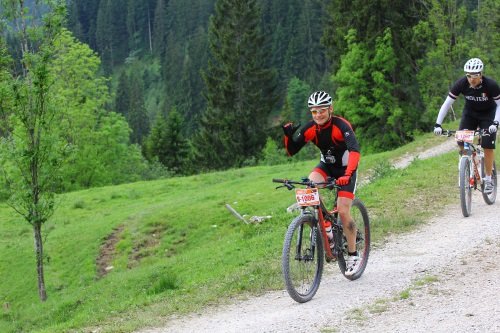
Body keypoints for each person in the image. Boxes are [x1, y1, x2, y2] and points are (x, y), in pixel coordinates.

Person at [282, 90, 361, 276]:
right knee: (309, 187)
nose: (318, 115)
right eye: (314, 112)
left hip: (346, 169)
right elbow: (291, 151)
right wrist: (288, 136)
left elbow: (355, 151)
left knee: (342, 210)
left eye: (322, 110)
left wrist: (348, 174)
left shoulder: (341, 126)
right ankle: (327, 229)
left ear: (330, 109)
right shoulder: (311, 128)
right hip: (326, 166)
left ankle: (353, 255)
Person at [434, 58, 500, 194]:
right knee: (461, 140)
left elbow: (499, 105)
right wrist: (438, 124)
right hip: (470, 114)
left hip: (488, 114)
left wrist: (496, 122)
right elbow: (447, 104)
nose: (471, 79)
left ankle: (488, 179)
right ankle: (467, 166)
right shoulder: (461, 83)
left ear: (481, 74)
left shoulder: (491, 85)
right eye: (469, 75)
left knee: (487, 144)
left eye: (475, 76)